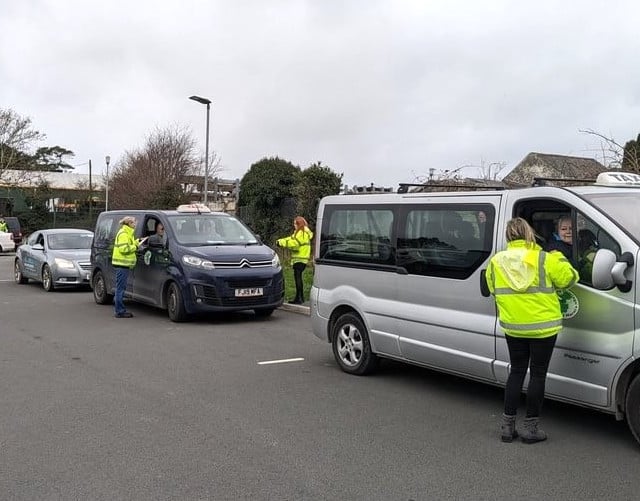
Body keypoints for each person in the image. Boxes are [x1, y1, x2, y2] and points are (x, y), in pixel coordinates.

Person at [486, 218, 579, 444]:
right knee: (537, 375)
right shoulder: (545, 258)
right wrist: (559, 258)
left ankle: (507, 427)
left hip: (513, 327)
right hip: (543, 329)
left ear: (509, 237)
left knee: (516, 372)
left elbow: (491, 288)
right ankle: (531, 429)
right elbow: (569, 279)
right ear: (529, 234)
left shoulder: (496, 261)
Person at [111, 216, 147, 318]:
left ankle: (118, 305)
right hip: (122, 264)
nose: (135, 225)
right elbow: (124, 249)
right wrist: (136, 247)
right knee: (120, 288)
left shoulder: (127, 233)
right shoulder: (124, 234)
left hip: (124, 265)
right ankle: (120, 311)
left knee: (121, 287)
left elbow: (128, 244)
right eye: (134, 223)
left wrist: (138, 241)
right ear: (129, 223)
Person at [276, 216, 313, 304]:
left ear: (298, 224)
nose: (294, 225)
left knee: (298, 278)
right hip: (302, 259)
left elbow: (295, 244)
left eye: (295, 223)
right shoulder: (303, 232)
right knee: (298, 278)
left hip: (299, 259)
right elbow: (291, 239)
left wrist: (280, 243)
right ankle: (300, 297)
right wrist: (281, 241)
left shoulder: (301, 233)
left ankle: (299, 298)